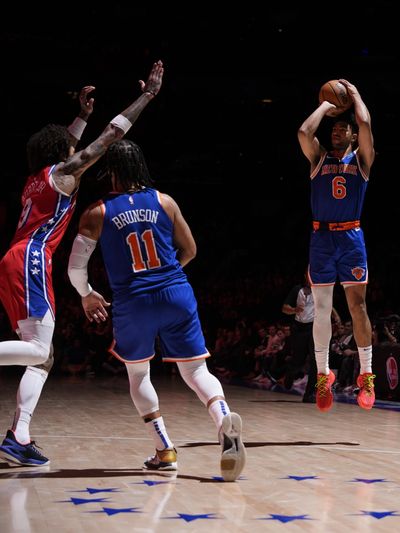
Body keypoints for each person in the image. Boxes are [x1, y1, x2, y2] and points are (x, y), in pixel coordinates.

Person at [0, 61, 163, 467]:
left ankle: (18, 436)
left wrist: (81, 116)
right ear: (62, 155)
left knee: (43, 356)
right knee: (39, 349)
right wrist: (146, 96)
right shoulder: (62, 175)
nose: (74, 150)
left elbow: (67, 148)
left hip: (14, 259)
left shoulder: (36, 177)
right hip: (32, 258)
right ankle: (18, 435)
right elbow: (107, 139)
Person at [65, 139, 246, 482]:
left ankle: (165, 451)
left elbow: (76, 269)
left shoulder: (97, 211)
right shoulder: (165, 201)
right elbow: (190, 249)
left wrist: (87, 294)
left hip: (134, 301)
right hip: (177, 291)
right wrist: (166, 277)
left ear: (112, 171)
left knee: (139, 375)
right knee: (195, 372)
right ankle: (223, 421)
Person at [297, 79, 376, 412]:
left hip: (351, 237)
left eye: (343, 129)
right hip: (322, 239)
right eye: (334, 129)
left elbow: (366, 122)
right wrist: (326, 106)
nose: (336, 132)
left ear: (353, 136)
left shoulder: (362, 160)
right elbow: (303, 132)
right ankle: (321, 375)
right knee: (323, 310)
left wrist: (354, 94)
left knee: (358, 307)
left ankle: (367, 376)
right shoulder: (318, 159)